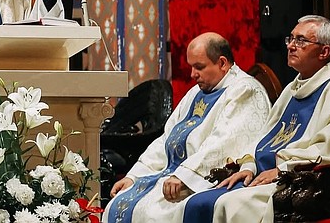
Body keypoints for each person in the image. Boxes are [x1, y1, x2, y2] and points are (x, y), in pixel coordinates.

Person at [182, 15, 330, 223]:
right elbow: (265, 137)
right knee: (198, 201)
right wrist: (248, 167)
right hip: (263, 175)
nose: (291, 46)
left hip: (297, 181)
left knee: (228, 205)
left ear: (324, 52)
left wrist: (282, 169)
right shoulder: (292, 89)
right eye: (291, 39)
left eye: (301, 40)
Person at [103, 33, 272, 223]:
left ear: (222, 63)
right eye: (191, 67)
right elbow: (167, 139)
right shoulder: (197, 92)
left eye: (199, 67)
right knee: (117, 203)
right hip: (172, 175)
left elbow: (224, 142)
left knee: (154, 214)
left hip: (200, 179)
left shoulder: (244, 90)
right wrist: (134, 176)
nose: (192, 74)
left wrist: (184, 176)